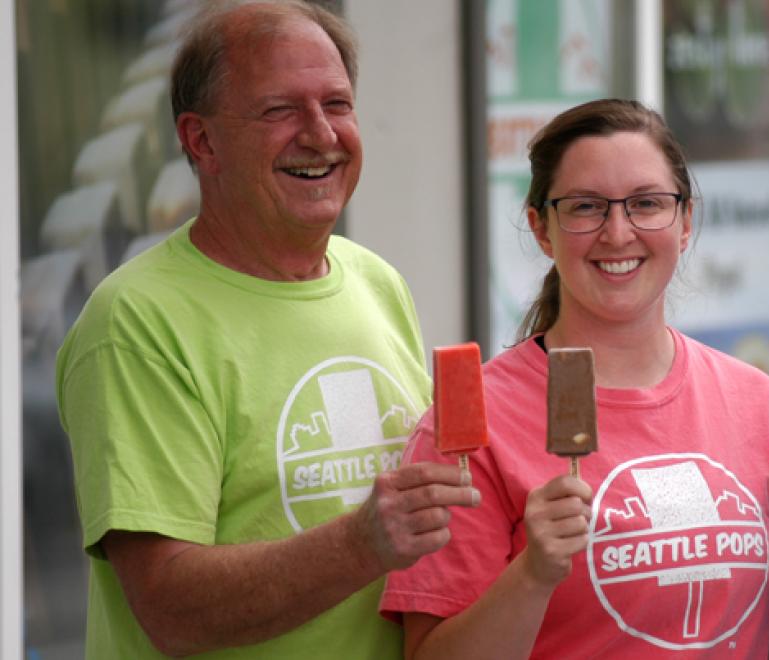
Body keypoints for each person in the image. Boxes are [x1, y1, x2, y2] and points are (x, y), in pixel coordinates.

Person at [55, 1, 478, 657]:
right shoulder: (138, 320)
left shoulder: (376, 282)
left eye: (337, 104)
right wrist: (363, 541)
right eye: (280, 110)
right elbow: (169, 609)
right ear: (201, 140)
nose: (321, 134)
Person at [380, 98, 769, 658]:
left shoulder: (756, 402)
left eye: (647, 203)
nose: (618, 233)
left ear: (685, 222)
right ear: (542, 229)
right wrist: (533, 575)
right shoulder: (471, 428)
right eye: (587, 207)